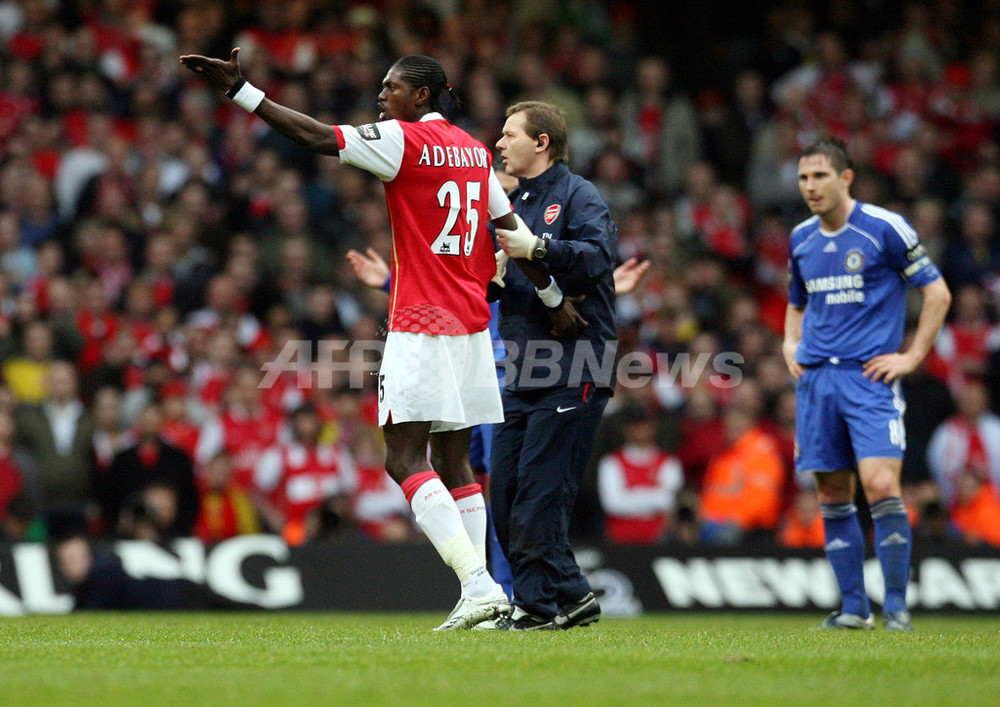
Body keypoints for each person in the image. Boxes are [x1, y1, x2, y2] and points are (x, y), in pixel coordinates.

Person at [179, 49, 580, 629]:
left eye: (390, 87)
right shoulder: (473, 152)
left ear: (421, 96)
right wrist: (553, 300)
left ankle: (477, 584)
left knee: (402, 458)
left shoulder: (403, 140)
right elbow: (515, 236)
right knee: (455, 460)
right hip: (469, 327)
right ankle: (486, 594)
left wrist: (241, 91)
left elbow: (316, 137)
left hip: (420, 324)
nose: (380, 96)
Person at [783, 136, 952, 631]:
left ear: (846, 177)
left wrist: (912, 357)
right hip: (817, 380)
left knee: (880, 484)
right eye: (803, 178)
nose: (810, 187)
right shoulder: (801, 238)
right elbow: (796, 301)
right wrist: (790, 344)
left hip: (868, 377)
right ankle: (854, 608)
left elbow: (937, 294)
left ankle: (896, 606)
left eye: (819, 176)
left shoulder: (884, 229)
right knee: (833, 492)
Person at [488, 101, 619, 630]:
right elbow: (506, 290)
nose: (499, 143)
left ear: (541, 142)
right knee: (507, 496)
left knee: (540, 495)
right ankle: (572, 595)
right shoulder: (512, 203)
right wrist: (494, 278)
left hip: (576, 364)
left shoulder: (579, 194)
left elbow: (597, 256)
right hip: (524, 368)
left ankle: (536, 607)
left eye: (509, 134)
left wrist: (538, 246)